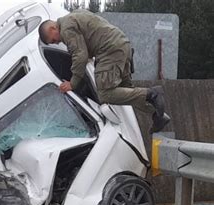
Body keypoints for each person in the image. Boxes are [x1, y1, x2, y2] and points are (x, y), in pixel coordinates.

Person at [38, 9, 171, 133]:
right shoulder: (75, 15)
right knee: (126, 91)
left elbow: (80, 55)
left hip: (109, 50)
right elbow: (91, 39)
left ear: (52, 28)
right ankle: (158, 115)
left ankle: (152, 93)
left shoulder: (66, 29)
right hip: (122, 44)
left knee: (105, 93)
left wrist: (73, 83)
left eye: (54, 40)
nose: (57, 42)